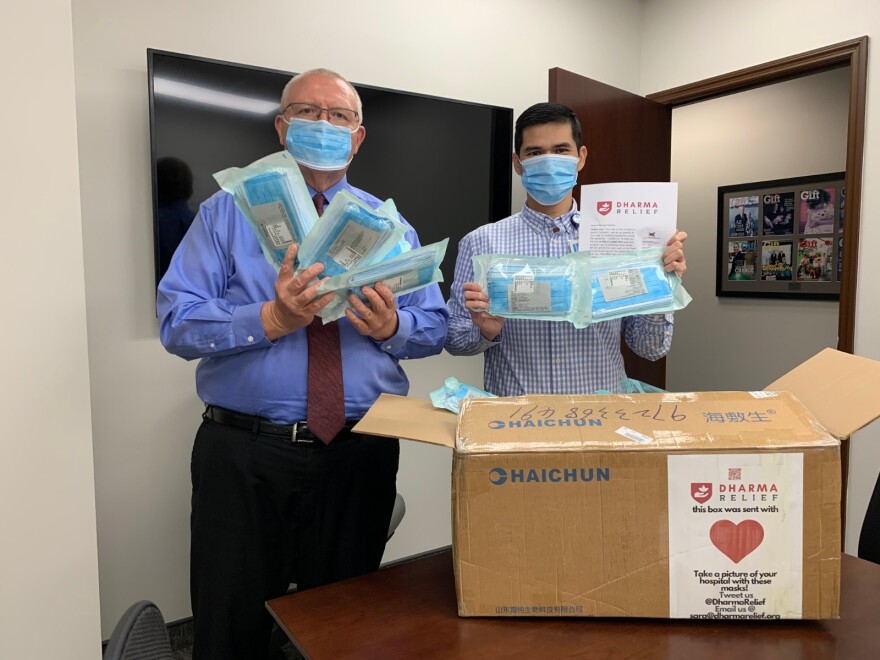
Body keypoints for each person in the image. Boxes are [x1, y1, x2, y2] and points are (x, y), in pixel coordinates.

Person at [157, 68, 448, 659]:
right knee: (229, 619)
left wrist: (393, 327)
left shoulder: (389, 225)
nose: (323, 124)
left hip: (358, 450)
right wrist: (271, 319)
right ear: (282, 125)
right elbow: (177, 321)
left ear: (358, 136)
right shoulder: (225, 212)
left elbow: (436, 325)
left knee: (345, 622)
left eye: (337, 116)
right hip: (243, 454)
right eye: (307, 112)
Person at [444, 102, 686, 396]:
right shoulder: (482, 243)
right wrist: (485, 331)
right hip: (517, 424)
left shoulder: (620, 240)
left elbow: (650, 348)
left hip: (601, 420)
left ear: (580, 157)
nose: (548, 161)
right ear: (517, 162)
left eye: (561, 150)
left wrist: (661, 285)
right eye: (534, 153)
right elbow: (453, 340)